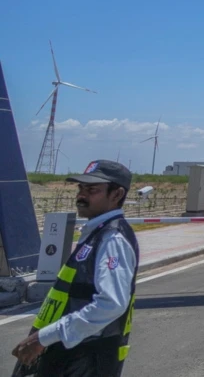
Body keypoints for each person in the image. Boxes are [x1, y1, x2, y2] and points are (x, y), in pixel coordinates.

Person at [11, 160, 139, 376]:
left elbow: (110, 305)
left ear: (116, 195)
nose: (81, 195)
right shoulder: (98, 233)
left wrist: (43, 337)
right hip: (71, 357)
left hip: (86, 359)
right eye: (80, 188)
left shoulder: (112, 239)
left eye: (92, 190)